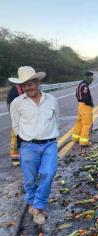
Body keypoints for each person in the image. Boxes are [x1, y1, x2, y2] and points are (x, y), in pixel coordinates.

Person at [9, 66, 59, 225]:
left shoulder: (51, 99)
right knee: (30, 180)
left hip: (50, 144)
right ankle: (32, 203)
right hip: (29, 146)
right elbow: (15, 125)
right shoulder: (17, 103)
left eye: (30, 84)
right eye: (24, 85)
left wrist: (49, 134)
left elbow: (56, 119)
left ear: (38, 82)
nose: (28, 88)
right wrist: (26, 138)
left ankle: (37, 207)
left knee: (48, 173)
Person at [72, 79, 94, 146]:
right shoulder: (85, 86)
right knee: (87, 124)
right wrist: (90, 103)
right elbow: (86, 97)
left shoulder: (79, 85)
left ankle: (76, 138)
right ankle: (84, 142)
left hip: (80, 105)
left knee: (79, 122)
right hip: (85, 106)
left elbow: (77, 95)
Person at [6, 84, 24, 166]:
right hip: (18, 119)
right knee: (16, 138)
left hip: (29, 119)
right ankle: (15, 159)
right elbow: (11, 106)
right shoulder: (14, 90)